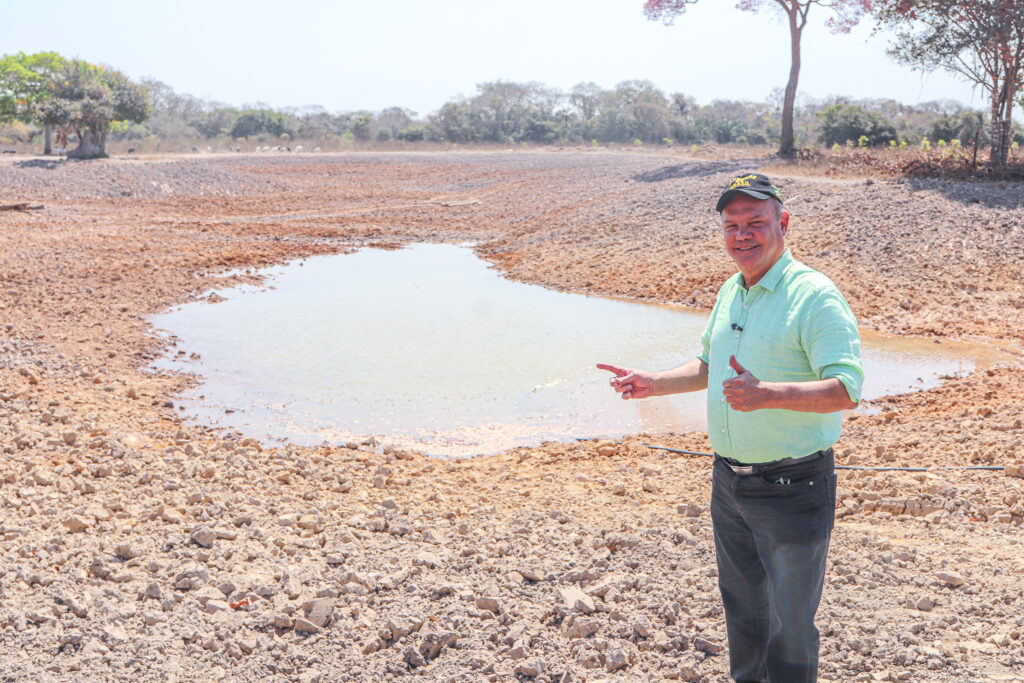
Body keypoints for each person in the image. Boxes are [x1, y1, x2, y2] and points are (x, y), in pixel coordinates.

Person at [597, 172, 863, 683]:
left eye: (755, 223)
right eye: (731, 225)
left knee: (790, 629)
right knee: (744, 615)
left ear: (782, 223)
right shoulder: (732, 289)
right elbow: (707, 365)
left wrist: (768, 395)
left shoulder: (815, 297)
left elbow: (847, 390)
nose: (742, 235)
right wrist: (653, 383)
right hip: (730, 483)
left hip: (793, 486)